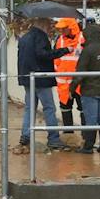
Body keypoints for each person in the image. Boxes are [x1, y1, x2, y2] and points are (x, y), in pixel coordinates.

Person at [16, 17, 65, 150]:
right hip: (41, 78)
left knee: (29, 108)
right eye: (49, 26)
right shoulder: (41, 37)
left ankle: (25, 136)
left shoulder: (24, 37)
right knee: (49, 108)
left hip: (28, 78)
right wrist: (63, 51)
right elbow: (43, 55)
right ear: (43, 25)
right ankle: (53, 138)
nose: (50, 29)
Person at [72, 22, 100, 154]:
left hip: (89, 91)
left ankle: (88, 147)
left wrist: (72, 88)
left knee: (91, 119)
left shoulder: (88, 51)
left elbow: (80, 73)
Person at [52, 16, 84, 138]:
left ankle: (86, 136)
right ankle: (68, 136)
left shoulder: (83, 39)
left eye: (64, 28)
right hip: (64, 83)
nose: (62, 31)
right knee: (65, 109)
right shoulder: (59, 40)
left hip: (80, 82)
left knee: (83, 109)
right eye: (61, 28)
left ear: (71, 27)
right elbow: (55, 59)